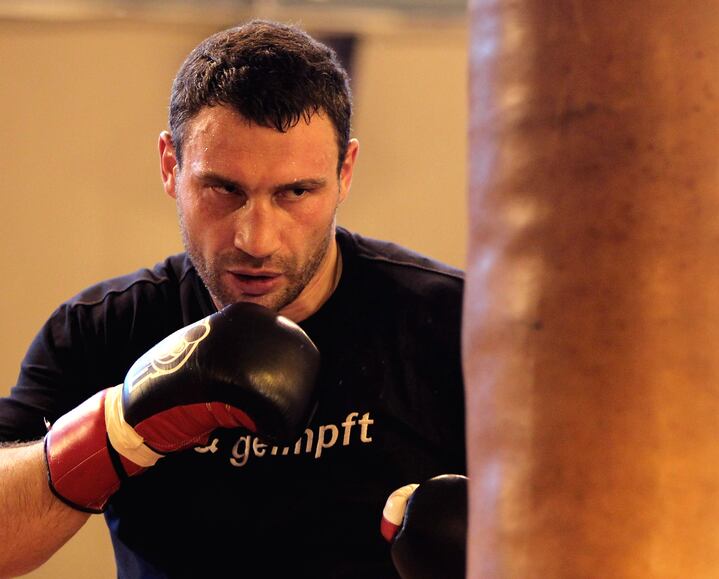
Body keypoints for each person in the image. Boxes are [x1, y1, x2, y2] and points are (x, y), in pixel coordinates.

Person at [0, 19, 465, 578]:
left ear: (344, 172)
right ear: (171, 166)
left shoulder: (451, 324)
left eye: (295, 192)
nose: (255, 239)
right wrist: (115, 431)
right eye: (224, 189)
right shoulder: (103, 329)